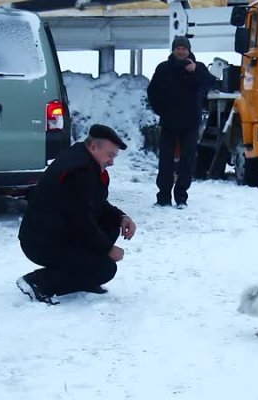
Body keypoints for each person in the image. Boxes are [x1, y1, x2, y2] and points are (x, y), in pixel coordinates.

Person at [16, 124, 137, 305]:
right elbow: (81, 221)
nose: (111, 162)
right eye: (110, 155)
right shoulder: (80, 171)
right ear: (94, 147)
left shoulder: (83, 159)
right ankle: (38, 282)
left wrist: (121, 217)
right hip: (42, 242)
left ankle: (83, 277)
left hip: (57, 232)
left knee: (111, 224)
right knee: (105, 269)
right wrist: (107, 249)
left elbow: (95, 203)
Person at [147, 35, 215, 208]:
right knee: (165, 162)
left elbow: (211, 84)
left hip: (190, 124)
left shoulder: (198, 67)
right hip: (169, 123)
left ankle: (181, 197)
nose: (181, 51)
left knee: (187, 162)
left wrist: (196, 71)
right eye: (178, 48)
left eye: (184, 48)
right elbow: (152, 91)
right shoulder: (163, 68)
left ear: (188, 50)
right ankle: (163, 197)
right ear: (173, 50)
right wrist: (160, 110)